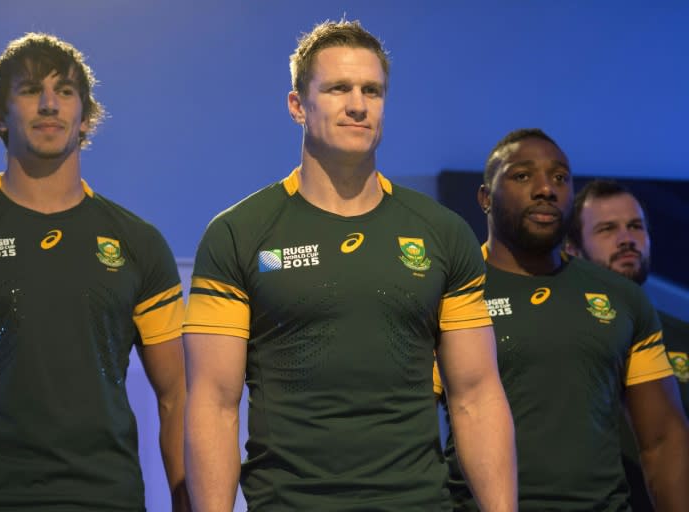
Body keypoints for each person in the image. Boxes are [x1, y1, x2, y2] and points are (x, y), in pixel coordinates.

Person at [182, 19, 516, 511]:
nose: (358, 104)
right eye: (338, 88)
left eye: (372, 91)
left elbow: (476, 396)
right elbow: (213, 405)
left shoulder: (442, 233)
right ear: (298, 105)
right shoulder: (238, 233)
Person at [0, 33, 190, 511]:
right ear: (0, 116)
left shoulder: (139, 244)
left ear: (84, 116)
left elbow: (177, 399)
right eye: (29, 90)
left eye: (65, 91)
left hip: (106, 499)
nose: (49, 104)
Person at [440, 128, 689, 511]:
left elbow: (663, 440)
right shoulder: (449, 293)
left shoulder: (622, 298)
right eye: (523, 175)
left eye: (560, 178)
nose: (546, 189)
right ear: (485, 198)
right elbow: (403, 430)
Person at [566, 179, 689, 511]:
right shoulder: (555, 335)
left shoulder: (682, 336)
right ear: (573, 250)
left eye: (635, 227)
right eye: (607, 229)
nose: (626, 239)